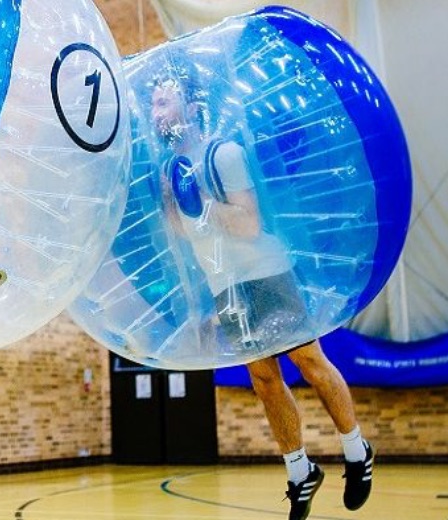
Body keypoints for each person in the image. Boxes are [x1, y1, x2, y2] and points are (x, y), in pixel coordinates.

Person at [151, 76, 374, 520]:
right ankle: (299, 471)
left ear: (191, 106)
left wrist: (203, 203)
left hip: (265, 273)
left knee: (309, 362)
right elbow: (183, 233)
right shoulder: (169, 169)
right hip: (226, 287)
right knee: (264, 380)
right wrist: (172, 201)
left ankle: (356, 448)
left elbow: (249, 224)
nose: (156, 114)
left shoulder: (224, 154)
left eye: (163, 102)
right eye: (153, 106)